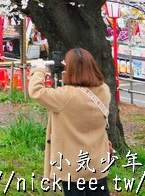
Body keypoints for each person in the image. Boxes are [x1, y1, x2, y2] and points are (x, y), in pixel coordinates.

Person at [29, 49, 111, 196]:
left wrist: (39, 69)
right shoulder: (104, 90)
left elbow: (36, 91)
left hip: (72, 165)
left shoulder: (64, 96)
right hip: (97, 161)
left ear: (71, 70)